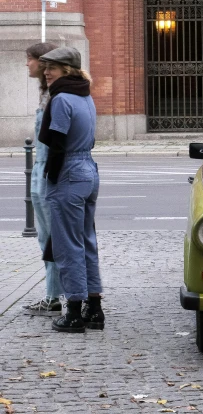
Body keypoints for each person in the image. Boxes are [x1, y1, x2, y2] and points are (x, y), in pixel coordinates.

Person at [38, 46, 103, 333]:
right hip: (89, 170)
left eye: (52, 67)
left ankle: (74, 312)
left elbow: (57, 143)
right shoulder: (85, 95)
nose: (46, 72)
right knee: (87, 240)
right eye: (45, 67)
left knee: (68, 245)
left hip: (70, 171)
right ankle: (94, 307)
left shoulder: (62, 98)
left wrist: (51, 176)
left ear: (66, 69)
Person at [22, 41, 63, 316]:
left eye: (30, 59)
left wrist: (48, 175)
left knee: (52, 239)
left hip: (47, 173)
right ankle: (52, 294)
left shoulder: (55, 96)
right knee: (45, 237)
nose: (27, 64)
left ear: (42, 61)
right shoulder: (46, 94)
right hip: (41, 171)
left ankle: (55, 297)